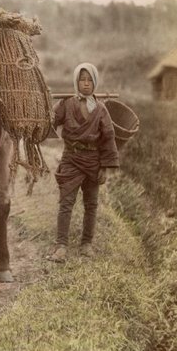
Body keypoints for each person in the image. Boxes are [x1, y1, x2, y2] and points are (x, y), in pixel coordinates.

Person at [46, 63, 119, 263]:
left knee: (91, 204)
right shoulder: (66, 104)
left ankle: (87, 244)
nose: (86, 84)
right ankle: (61, 246)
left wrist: (104, 167)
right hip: (71, 158)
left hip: (93, 161)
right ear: (76, 82)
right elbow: (50, 121)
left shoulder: (101, 109)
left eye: (89, 80)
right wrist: (45, 104)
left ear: (94, 82)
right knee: (66, 203)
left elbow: (108, 137)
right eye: (82, 79)